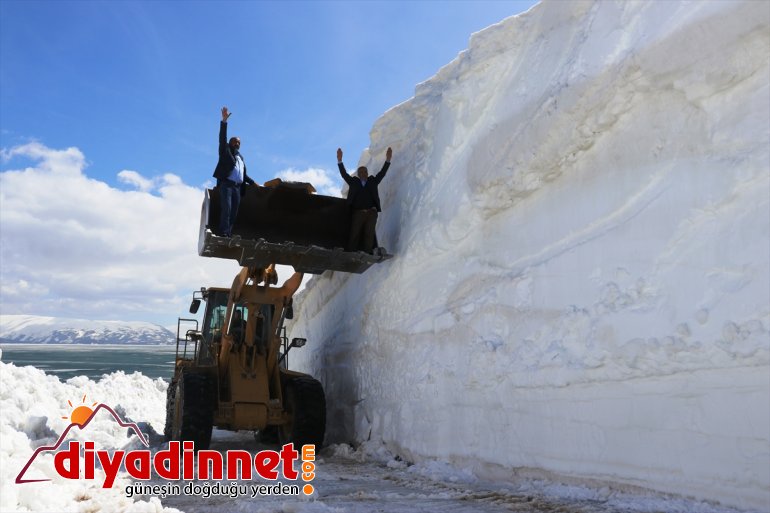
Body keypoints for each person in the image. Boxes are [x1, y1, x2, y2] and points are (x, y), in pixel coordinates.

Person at [337, 146, 393, 253]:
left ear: (367, 173)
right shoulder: (354, 182)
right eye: (361, 172)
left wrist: (388, 160)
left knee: (369, 233)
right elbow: (344, 174)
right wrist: (340, 160)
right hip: (358, 213)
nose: (363, 173)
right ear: (358, 174)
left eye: (365, 172)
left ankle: (368, 252)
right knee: (354, 233)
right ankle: (351, 252)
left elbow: (382, 173)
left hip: (371, 213)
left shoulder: (373, 181)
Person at [213, 106, 257, 237]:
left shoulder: (240, 158)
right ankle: (224, 233)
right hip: (227, 185)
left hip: (237, 188)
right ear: (230, 143)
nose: (237, 144)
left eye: (239, 142)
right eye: (235, 141)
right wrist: (224, 121)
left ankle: (228, 233)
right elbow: (222, 138)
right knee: (226, 209)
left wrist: (253, 183)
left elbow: (243, 174)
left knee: (233, 212)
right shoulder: (225, 151)